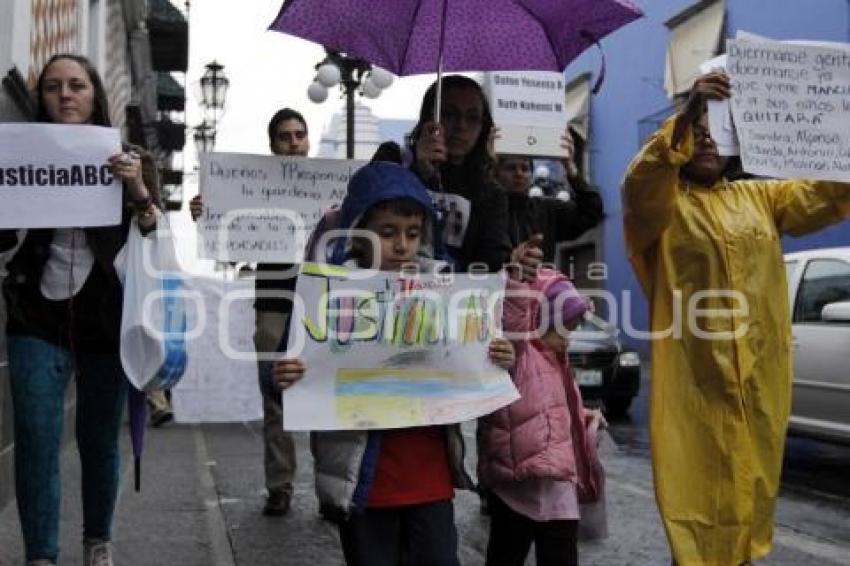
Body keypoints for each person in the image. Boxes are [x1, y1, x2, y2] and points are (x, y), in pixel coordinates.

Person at [622, 71, 850, 565]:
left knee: (749, 502)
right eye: (699, 126)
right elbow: (641, 181)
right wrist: (686, 112)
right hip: (695, 384)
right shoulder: (660, 205)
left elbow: (825, 194)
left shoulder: (761, 199)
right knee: (698, 505)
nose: (707, 136)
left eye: (719, 126)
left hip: (759, 382)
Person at [273, 161, 516, 566]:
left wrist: (502, 358)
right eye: (387, 233)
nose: (402, 245)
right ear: (355, 232)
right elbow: (287, 374)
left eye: (413, 233)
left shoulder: (445, 287)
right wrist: (282, 376)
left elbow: (474, 363)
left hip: (430, 477)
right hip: (364, 483)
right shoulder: (325, 291)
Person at [0, 53, 161, 566]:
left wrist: (136, 189)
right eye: (52, 87)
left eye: (76, 85)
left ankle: (98, 541)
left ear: (95, 94)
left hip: (106, 320)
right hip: (35, 318)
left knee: (97, 439)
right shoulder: (17, 154)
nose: (65, 95)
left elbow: (155, 237)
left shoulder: (128, 156)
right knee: (35, 437)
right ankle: (41, 555)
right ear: (41, 98)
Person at [190, 107, 309, 516]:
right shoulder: (254, 188)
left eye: (299, 135)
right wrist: (205, 215)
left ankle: (333, 488)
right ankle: (280, 484)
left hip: (322, 301)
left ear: (307, 141)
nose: (293, 143)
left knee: (329, 392)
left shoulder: (330, 188)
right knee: (276, 396)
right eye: (284, 136)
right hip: (274, 302)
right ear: (271, 144)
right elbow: (225, 234)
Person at [478, 268, 595, 566]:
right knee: (506, 556)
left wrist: (582, 417)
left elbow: (555, 407)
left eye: (572, 330)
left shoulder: (559, 362)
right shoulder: (521, 355)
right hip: (518, 489)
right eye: (561, 329)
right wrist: (518, 279)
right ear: (540, 320)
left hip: (559, 492)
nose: (567, 340)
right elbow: (514, 318)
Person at [409, 75, 512, 272]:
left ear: (483, 127)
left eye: (472, 118)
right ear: (430, 117)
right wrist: (417, 173)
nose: (461, 126)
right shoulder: (395, 159)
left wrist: (513, 259)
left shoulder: (490, 192)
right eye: (449, 114)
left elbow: (491, 262)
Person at [495, 130, 604, 267]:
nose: (519, 174)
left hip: (539, 287)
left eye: (525, 168)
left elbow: (590, 213)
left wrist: (571, 170)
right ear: (496, 173)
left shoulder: (547, 209)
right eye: (511, 168)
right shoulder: (488, 210)